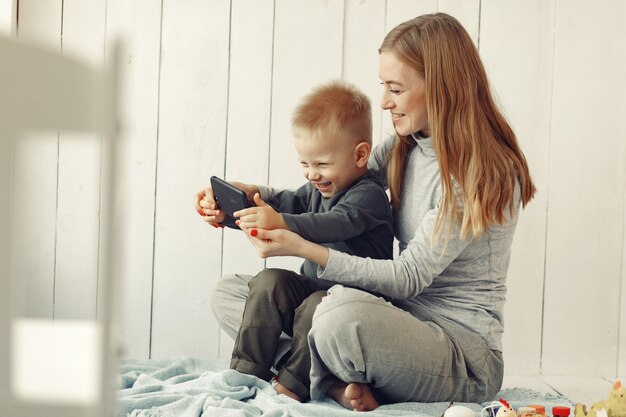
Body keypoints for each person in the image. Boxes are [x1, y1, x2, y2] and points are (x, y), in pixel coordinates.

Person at [224, 12, 537, 411]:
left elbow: (407, 278)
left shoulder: (480, 171)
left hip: (459, 353)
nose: (385, 101)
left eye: (396, 88)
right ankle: (334, 381)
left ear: (441, 87)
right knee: (239, 293)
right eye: (383, 87)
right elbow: (335, 186)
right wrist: (256, 196)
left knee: (336, 317)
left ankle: (321, 373)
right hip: (392, 322)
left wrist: (301, 246)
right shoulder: (405, 145)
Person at [195, 80, 394, 402]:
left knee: (316, 308)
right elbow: (284, 205)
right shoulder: (317, 189)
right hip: (317, 289)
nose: (312, 175)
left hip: (354, 306)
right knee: (268, 281)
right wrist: (231, 215)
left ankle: (294, 385)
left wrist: (283, 222)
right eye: (305, 163)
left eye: (322, 164)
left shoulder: (368, 196)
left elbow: (332, 225)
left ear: (360, 155)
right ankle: (246, 372)